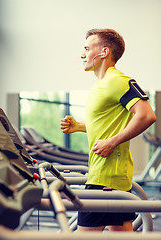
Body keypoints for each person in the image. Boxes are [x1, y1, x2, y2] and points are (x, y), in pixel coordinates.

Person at [60, 29, 156, 232]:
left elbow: (147, 115)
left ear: (104, 52)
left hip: (106, 178)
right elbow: (109, 125)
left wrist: (112, 142)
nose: (82, 54)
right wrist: (80, 127)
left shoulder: (117, 81)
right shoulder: (101, 84)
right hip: (108, 177)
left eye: (87, 48)